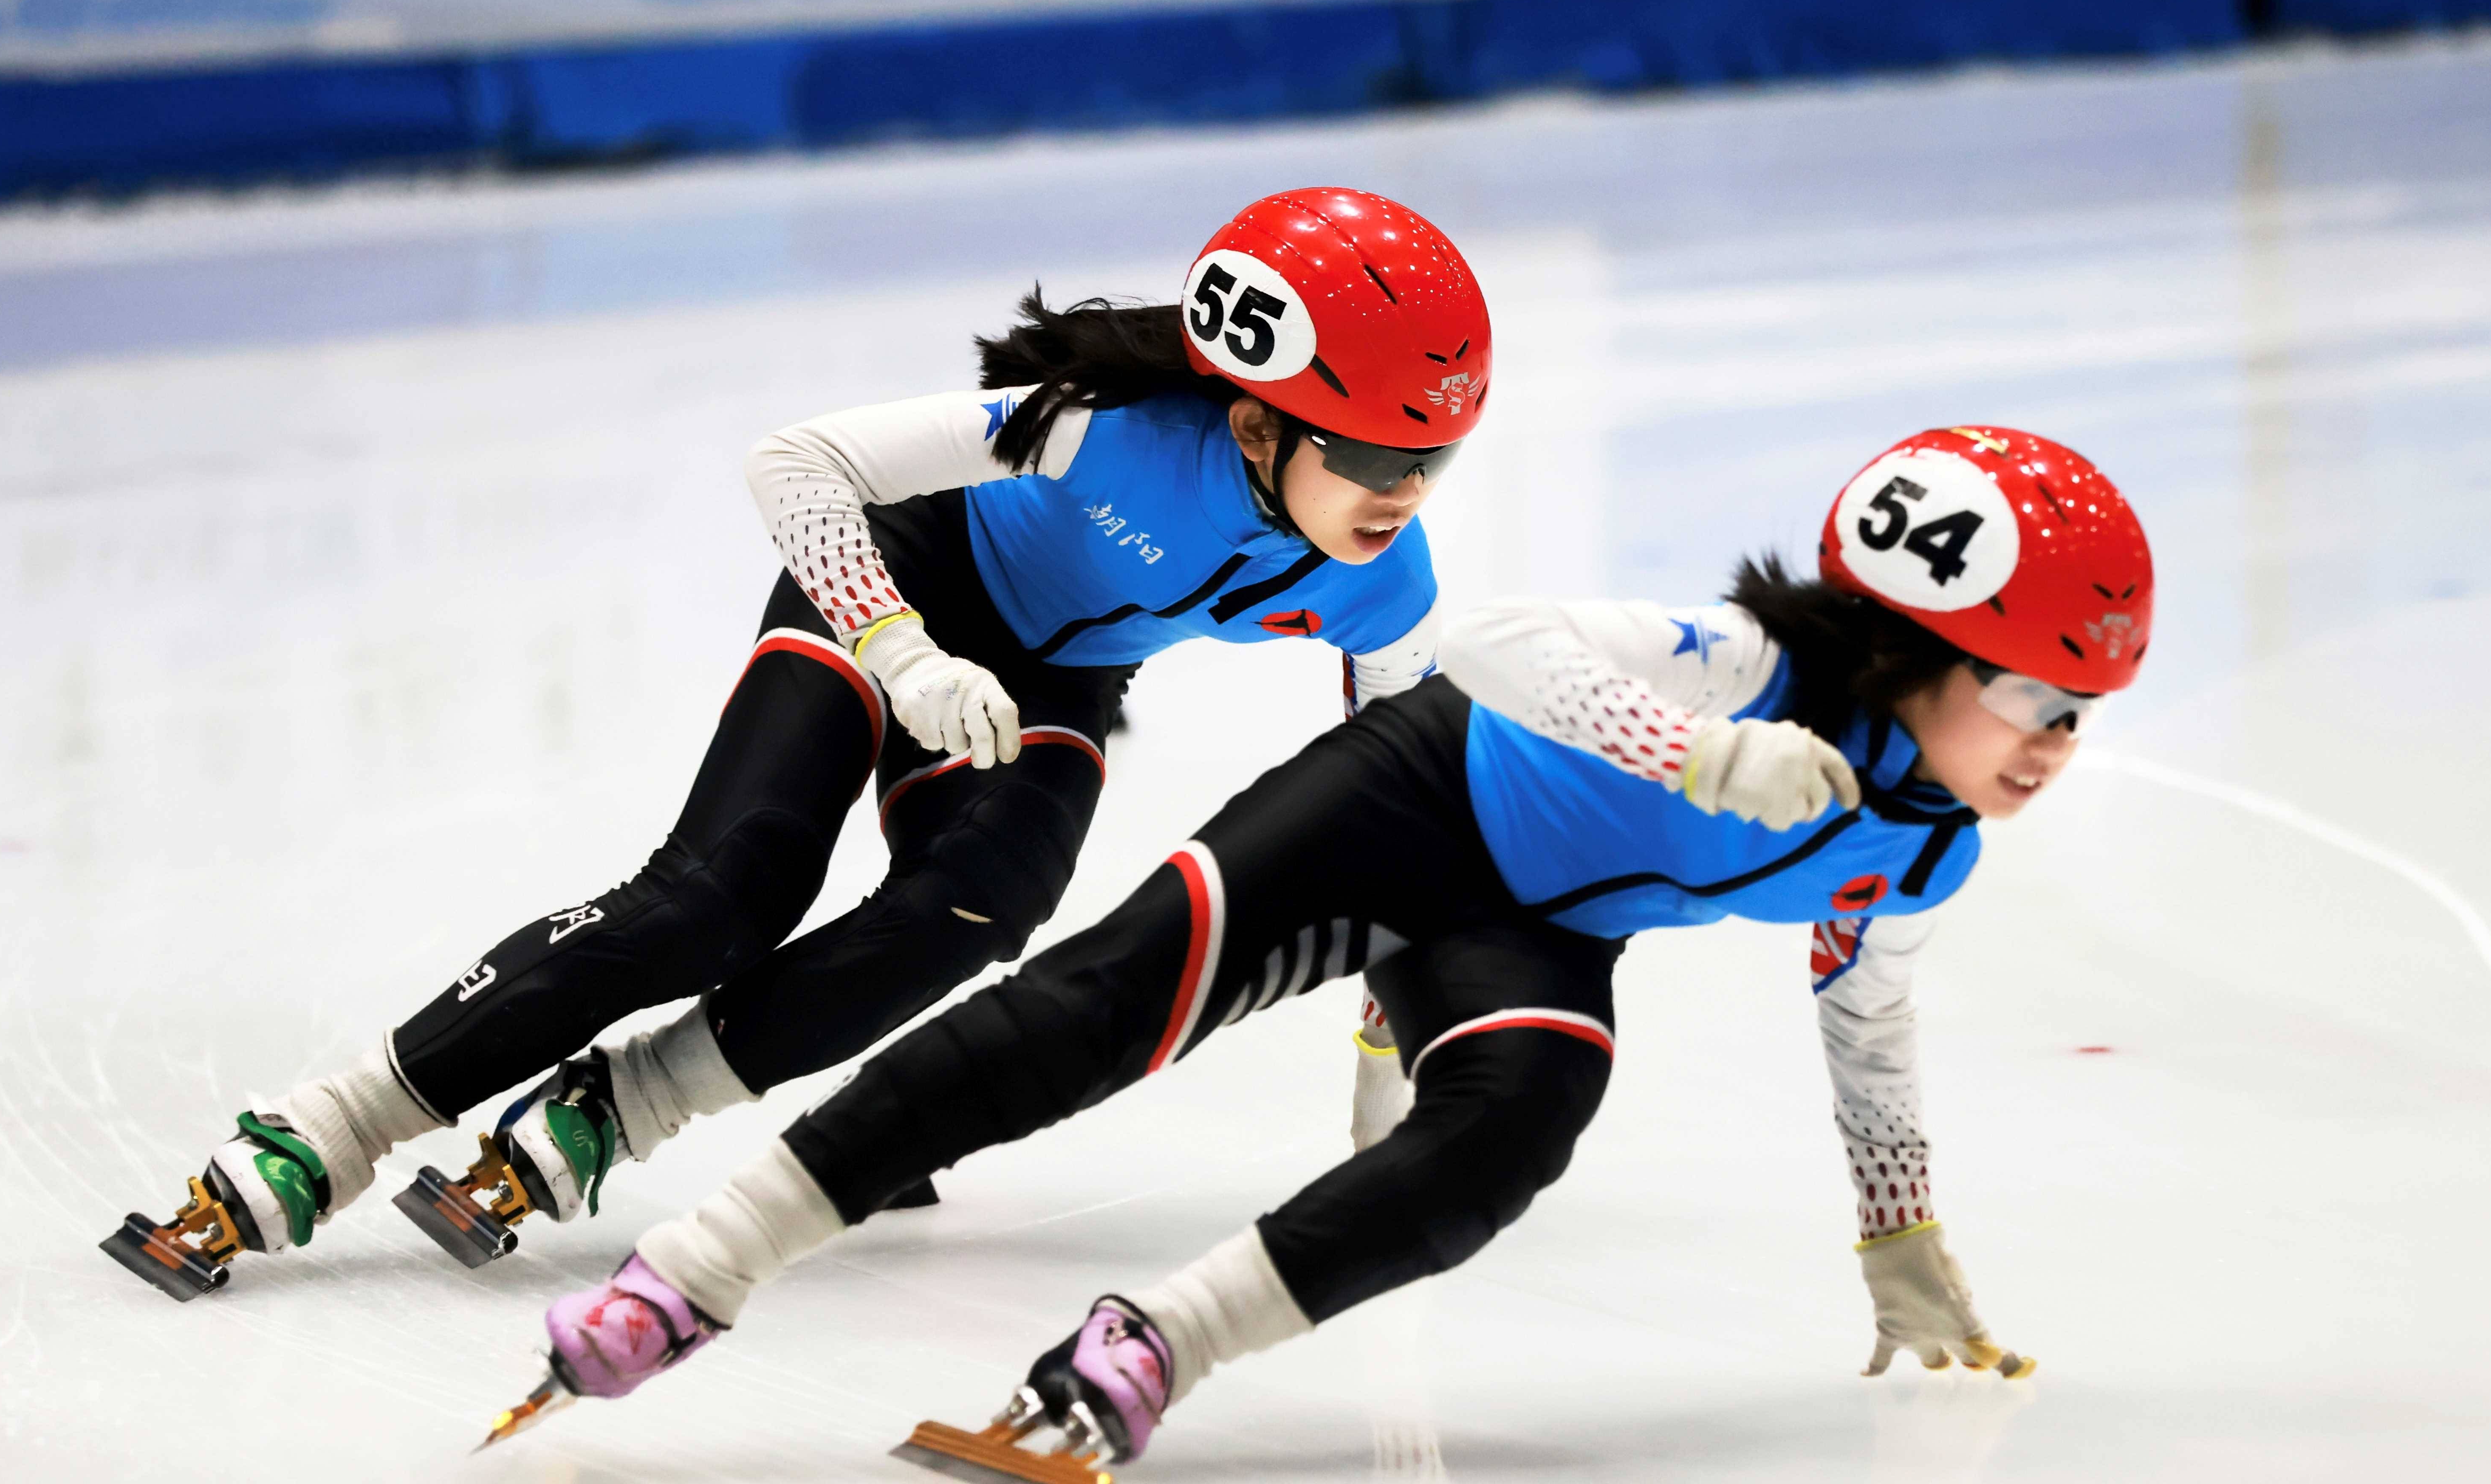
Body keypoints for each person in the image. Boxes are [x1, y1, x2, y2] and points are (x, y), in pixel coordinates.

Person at [486, 426, 2155, 1480]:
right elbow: (1496, 640)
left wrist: (1896, 1226)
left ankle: (1151, 1347)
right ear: (1911, 646)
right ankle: (691, 1272)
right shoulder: (1747, 664)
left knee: (1513, 1133)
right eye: (2033, 696)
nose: (2053, 746)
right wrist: (1695, 750)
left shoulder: (1928, 846)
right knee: (1090, 1015)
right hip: (1407, 799)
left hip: (1536, 932)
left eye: (2082, 714)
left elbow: (1865, 1009)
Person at [102, 187, 1494, 1301]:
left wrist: (1386, 1070)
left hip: (1053, 674)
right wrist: (902, 650)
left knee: (980, 905)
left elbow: (1390, 839)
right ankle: (338, 1122)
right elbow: (797, 463)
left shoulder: (1388, 588)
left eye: (1431, 460)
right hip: (899, 576)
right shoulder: (1103, 433)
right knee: (722, 895)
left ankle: (620, 1105)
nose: (1406, 494)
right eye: (1378, 461)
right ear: (1253, 421)